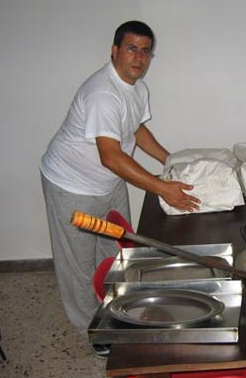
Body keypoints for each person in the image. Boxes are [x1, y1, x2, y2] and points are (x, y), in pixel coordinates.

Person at [40, 21, 200, 341]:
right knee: (80, 267)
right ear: (114, 51)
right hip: (72, 186)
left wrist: (170, 161)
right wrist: (162, 188)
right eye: (131, 49)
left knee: (117, 252)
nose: (139, 58)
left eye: (145, 51)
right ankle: (94, 333)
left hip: (109, 183)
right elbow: (111, 156)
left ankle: (115, 309)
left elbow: (136, 129)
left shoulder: (137, 88)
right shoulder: (103, 93)